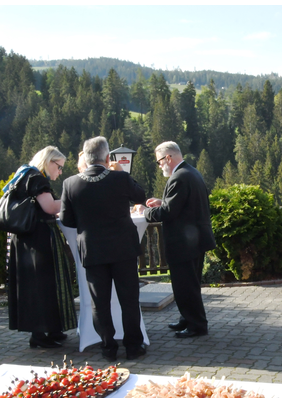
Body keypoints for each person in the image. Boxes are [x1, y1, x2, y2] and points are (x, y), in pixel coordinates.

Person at [60, 137, 148, 361]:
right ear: (108, 157)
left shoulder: (70, 183)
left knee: (100, 303)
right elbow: (140, 196)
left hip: (93, 249)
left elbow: (67, 220)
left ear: (86, 158)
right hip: (123, 248)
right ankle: (133, 346)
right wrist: (120, 172)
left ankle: (108, 348)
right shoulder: (120, 178)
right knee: (129, 299)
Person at [5, 146, 77, 348]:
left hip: (28, 239)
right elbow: (50, 207)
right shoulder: (37, 178)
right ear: (49, 162)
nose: (60, 172)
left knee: (38, 284)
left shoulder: (24, 174)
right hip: (37, 240)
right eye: (59, 167)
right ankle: (39, 333)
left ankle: (51, 328)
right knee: (42, 285)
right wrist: (74, 199)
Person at [143, 142, 216, 338]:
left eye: (159, 161)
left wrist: (145, 212)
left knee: (185, 286)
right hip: (195, 239)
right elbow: (182, 204)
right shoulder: (191, 172)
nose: (159, 166)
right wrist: (162, 202)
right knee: (189, 284)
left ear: (168, 158)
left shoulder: (179, 177)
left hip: (185, 242)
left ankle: (196, 325)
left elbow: (168, 212)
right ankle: (187, 319)